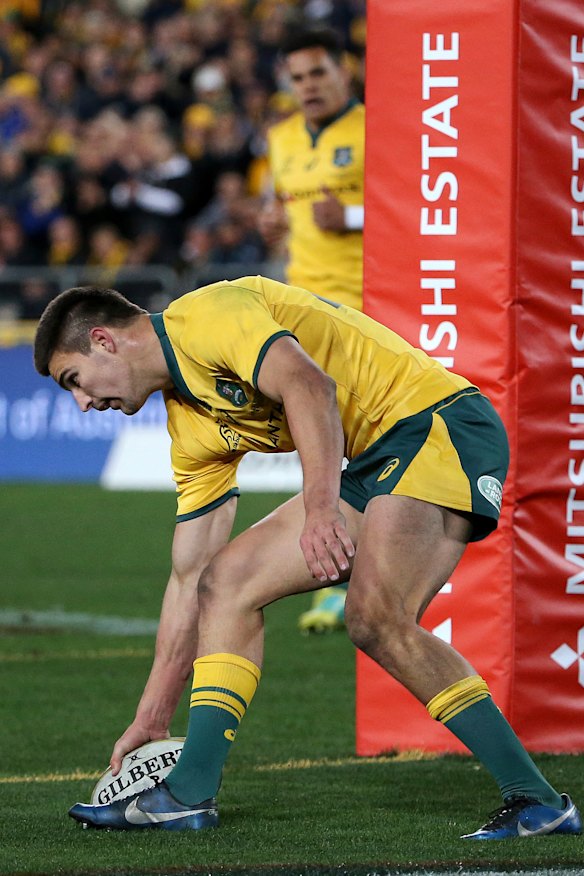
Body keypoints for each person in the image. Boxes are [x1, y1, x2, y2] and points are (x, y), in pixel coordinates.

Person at [34, 277, 581, 840]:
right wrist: (152, 714)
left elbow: (309, 385)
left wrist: (323, 510)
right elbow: (187, 575)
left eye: (73, 381)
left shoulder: (209, 315)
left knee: (375, 617)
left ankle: (538, 802)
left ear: (103, 340)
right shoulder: (191, 426)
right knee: (225, 582)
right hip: (375, 459)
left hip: (438, 424)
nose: (82, 403)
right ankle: (188, 795)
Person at [258, 24, 365, 632]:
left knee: (360, 445)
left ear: (343, 71)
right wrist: (274, 224)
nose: (308, 86)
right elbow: (284, 211)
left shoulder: (381, 128)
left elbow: (424, 206)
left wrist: (350, 214)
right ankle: (338, 568)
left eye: (318, 73)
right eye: (297, 78)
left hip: (367, 310)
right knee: (329, 448)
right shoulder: (281, 140)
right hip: (305, 314)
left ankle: (346, 576)